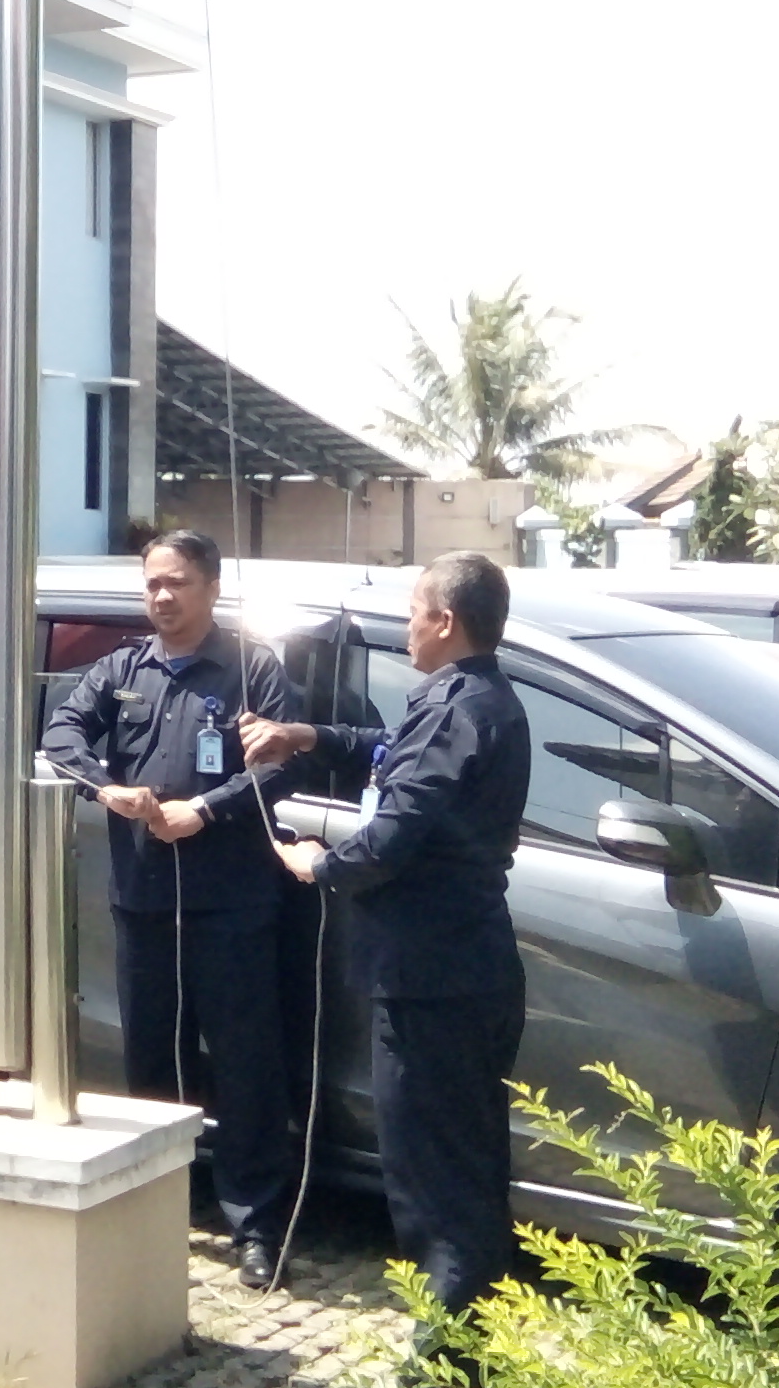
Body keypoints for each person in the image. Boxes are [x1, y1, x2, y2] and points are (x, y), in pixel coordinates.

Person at [254, 551, 531, 1371]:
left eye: (414, 611)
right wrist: (312, 735)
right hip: (461, 972)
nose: (405, 626)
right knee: (467, 1173)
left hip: (431, 983)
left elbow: (391, 837)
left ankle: (444, 1359)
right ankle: (471, 1350)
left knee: (435, 1185)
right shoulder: (474, 698)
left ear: (444, 620)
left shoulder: (457, 709)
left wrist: (317, 865)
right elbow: (393, 751)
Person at [38, 530, 300, 1287]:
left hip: (232, 906)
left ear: (211, 588)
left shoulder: (252, 669)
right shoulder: (122, 669)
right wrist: (103, 787)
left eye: (177, 582)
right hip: (143, 899)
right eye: (152, 583)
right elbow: (60, 733)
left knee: (246, 1063)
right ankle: (158, 1208)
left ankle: (254, 1225)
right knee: (154, 1058)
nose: (162, 596)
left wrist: (207, 811)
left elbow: (281, 767)